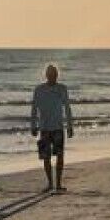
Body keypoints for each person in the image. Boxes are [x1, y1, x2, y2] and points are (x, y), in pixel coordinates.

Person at [30, 63, 73, 194]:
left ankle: (58, 184)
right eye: (50, 74)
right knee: (46, 157)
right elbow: (34, 108)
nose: (52, 76)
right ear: (46, 75)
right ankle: (50, 183)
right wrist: (33, 125)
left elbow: (67, 108)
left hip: (58, 127)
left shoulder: (62, 89)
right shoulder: (39, 89)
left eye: (54, 74)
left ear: (57, 75)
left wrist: (70, 126)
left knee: (60, 156)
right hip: (44, 128)